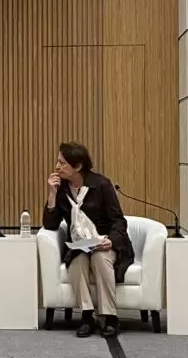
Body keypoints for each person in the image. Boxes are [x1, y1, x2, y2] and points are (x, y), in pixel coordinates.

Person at [43, 142, 134, 339]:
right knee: (77, 261)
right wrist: (52, 194)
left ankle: (110, 317)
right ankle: (86, 316)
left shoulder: (101, 185)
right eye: (58, 162)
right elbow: (50, 225)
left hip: (104, 242)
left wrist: (111, 241)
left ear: (78, 166)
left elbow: (118, 221)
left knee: (100, 259)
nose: (57, 167)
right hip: (79, 244)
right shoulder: (62, 189)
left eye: (63, 163)